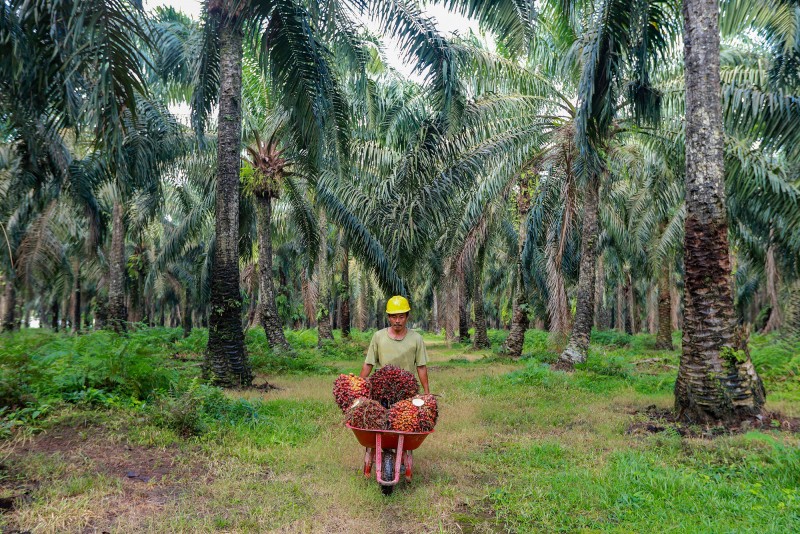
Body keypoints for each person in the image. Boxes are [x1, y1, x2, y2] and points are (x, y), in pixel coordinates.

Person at [359, 295, 430, 395]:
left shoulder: (416, 338)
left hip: (407, 389)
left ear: (407, 317)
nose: (397, 321)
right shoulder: (378, 336)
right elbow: (369, 363)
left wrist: (427, 393)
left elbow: (421, 366)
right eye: (394, 317)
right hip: (382, 389)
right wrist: (358, 386)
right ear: (388, 317)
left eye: (401, 317)